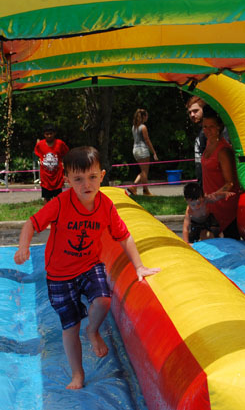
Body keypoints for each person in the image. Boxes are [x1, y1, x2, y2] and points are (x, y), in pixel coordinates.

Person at [13, 146, 160, 390]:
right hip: (59, 275)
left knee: (103, 300)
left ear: (102, 176)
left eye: (92, 177)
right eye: (78, 179)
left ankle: (93, 331)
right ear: (67, 180)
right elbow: (31, 224)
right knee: (70, 328)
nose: (86, 184)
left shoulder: (106, 206)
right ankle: (77, 374)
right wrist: (23, 248)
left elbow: (124, 236)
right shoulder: (61, 204)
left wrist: (140, 266)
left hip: (90, 266)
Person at [200, 107, 241, 239]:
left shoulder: (223, 151)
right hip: (212, 203)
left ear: (219, 127)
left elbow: (230, 183)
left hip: (224, 204)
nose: (207, 130)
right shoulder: (208, 143)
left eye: (211, 127)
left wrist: (214, 196)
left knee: (229, 240)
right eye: (205, 127)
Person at [34, 123, 69, 201]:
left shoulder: (60, 144)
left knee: (58, 198)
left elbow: (66, 153)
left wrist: (64, 163)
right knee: (46, 198)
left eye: (51, 134)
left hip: (57, 176)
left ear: (54, 133)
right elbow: (37, 154)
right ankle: (47, 213)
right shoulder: (40, 145)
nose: (49, 136)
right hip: (46, 177)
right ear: (44, 134)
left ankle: (58, 212)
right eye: (47, 134)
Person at [128, 108, 158, 196]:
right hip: (143, 150)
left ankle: (134, 187)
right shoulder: (143, 127)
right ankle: (145, 191)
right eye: (146, 116)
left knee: (143, 171)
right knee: (145, 172)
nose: (147, 117)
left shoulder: (134, 127)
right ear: (144, 116)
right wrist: (154, 152)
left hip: (135, 150)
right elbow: (147, 140)